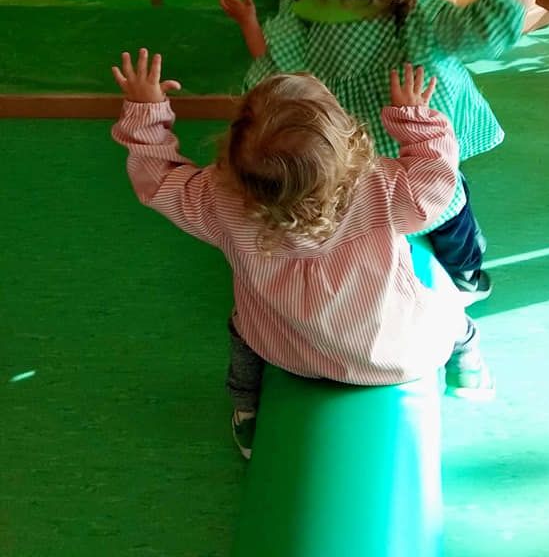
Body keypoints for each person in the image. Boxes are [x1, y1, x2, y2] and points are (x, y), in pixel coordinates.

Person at [111, 51, 491, 458]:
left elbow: (156, 178)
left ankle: (246, 409)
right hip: (397, 354)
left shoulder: (216, 199)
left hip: (286, 351)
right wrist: (414, 117)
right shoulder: (381, 188)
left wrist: (146, 110)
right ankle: (467, 367)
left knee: (243, 332)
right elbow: (438, 181)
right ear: (346, 138)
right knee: (449, 309)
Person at [221, 0, 549, 297]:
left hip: (352, 163)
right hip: (418, 151)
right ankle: (467, 275)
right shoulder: (419, 16)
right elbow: (488, 29)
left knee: (367, 215)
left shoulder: (305, 17)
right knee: (450, 208)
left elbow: (269, 71)